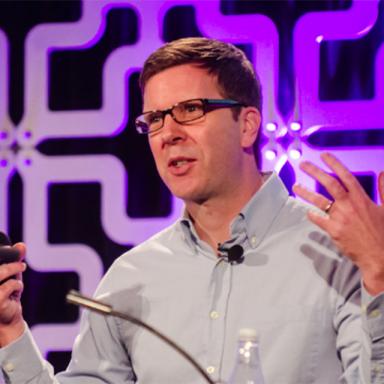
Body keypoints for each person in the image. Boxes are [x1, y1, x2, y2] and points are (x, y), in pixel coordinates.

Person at [0, 37, 383, 383]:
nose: (168, 133)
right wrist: (10, 330)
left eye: (191, 109)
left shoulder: (338, 253)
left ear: (248, 125)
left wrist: (380, 274)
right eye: (154, 119)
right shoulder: (131, 277)